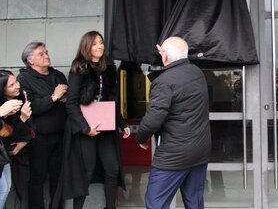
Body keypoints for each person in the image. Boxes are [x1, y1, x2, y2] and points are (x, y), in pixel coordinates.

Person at [54, 31, 130, 209]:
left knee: (112, 168)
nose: (99, 46)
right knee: (85, 173)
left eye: (101, 43)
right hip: (84, 129)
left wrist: (122, 124)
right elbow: (71, 103)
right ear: (86, 46)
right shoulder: (79, 68)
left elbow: (112, 101)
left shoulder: (109, 68)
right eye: (95, 43)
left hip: (105, 126)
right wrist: (85, 128)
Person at [136, 36, 211, 209]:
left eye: (161, 52)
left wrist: (141, 138)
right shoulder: (197, 73)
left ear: (165, 57)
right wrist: (164, 52)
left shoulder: (163, 82)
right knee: (194, 202)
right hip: (200, 150)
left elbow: (153, 119)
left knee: (156, 203)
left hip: (174, 155)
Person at [17, 42, 68, 209]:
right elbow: (30, 107)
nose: (46, 55)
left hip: (61, 135)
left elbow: (67, 99)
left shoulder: (58, 75)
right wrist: (53, 97)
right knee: (37, 178)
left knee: (58, 177)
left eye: (46, 52)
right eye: (41, 54)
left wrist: (65, 98)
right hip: (39, 137)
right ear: (30, 60)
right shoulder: (24, 79)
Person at [0, 70, 33, 208]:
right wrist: (20, 119)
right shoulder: (5, 106)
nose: (17, 86)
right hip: (4, 151)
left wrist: (25, 140)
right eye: (12, 85)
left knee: (5, 188)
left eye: (16, 82)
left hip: (5, 154)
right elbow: (6, 133)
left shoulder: (19, 99)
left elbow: (30, 128)